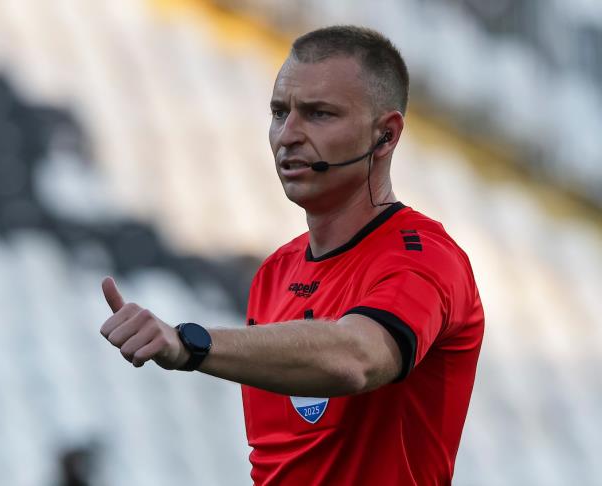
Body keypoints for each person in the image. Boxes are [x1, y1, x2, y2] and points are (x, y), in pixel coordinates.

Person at [99, 25, 484, 486]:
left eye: (319, 114)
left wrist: (191, 344)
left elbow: (356, 358)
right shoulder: (275, 273)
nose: (288, 135)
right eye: (279, 112)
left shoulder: (426, 257)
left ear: (385, 135)